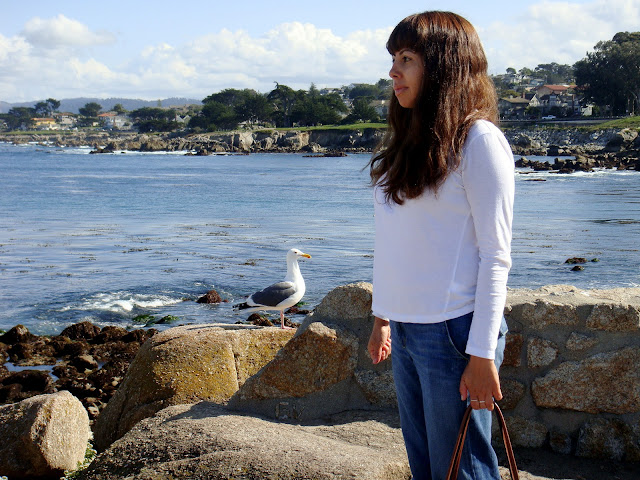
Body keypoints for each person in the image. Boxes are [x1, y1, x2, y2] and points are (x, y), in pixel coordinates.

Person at [367, 11, 515, 480]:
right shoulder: (411, 144)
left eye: (406, 59)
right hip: (408, 329)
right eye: (394, 59)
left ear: (444, 65)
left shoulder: (479, 141)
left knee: (462, 470)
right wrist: (383, 316)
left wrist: (482, 353)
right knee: (428, 469)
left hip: (455, 330)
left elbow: (496, 255)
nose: (393, 71)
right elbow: (394, 241)